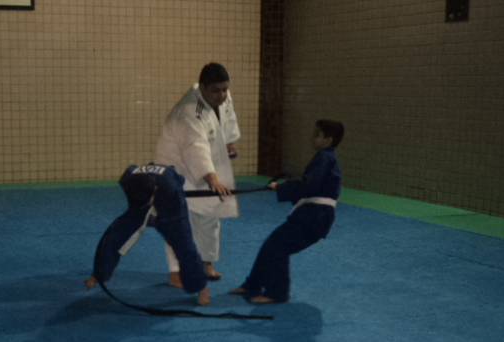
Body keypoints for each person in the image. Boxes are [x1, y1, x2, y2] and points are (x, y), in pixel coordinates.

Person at [229, 119, 344, 303]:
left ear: (328, 140)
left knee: (277, 247)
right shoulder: (326, 158)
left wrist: (281, 187)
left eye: (317, 134)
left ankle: (277, 293)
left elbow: (309, 186)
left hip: (315, 216)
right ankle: (253, 285)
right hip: (314, 214)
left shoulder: (325, 158)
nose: (312, 137)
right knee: (272, 245)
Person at [155, 62, 241, 287]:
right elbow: (195, 147)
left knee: (210, 212)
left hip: (206, 165)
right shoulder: (189, 111)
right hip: (177, 166)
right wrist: (211, 177)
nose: (222, 96)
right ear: (202, 87)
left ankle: (206, 262)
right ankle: (177, 272)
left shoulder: (222, 96)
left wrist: (229, 142)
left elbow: (228, 119)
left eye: (225, 89)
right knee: (178, 220)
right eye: (216, 91)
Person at [83, 163, 211, 305]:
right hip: (138, 206)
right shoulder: (127, 179)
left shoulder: (172, 188)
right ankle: (99, 275)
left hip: (170, 208)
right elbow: (137, 195)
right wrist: (143, 208)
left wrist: (160, 219)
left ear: (155, 190)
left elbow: (180, 181)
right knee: (114, 238)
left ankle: (200, 286)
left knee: (184, 247)